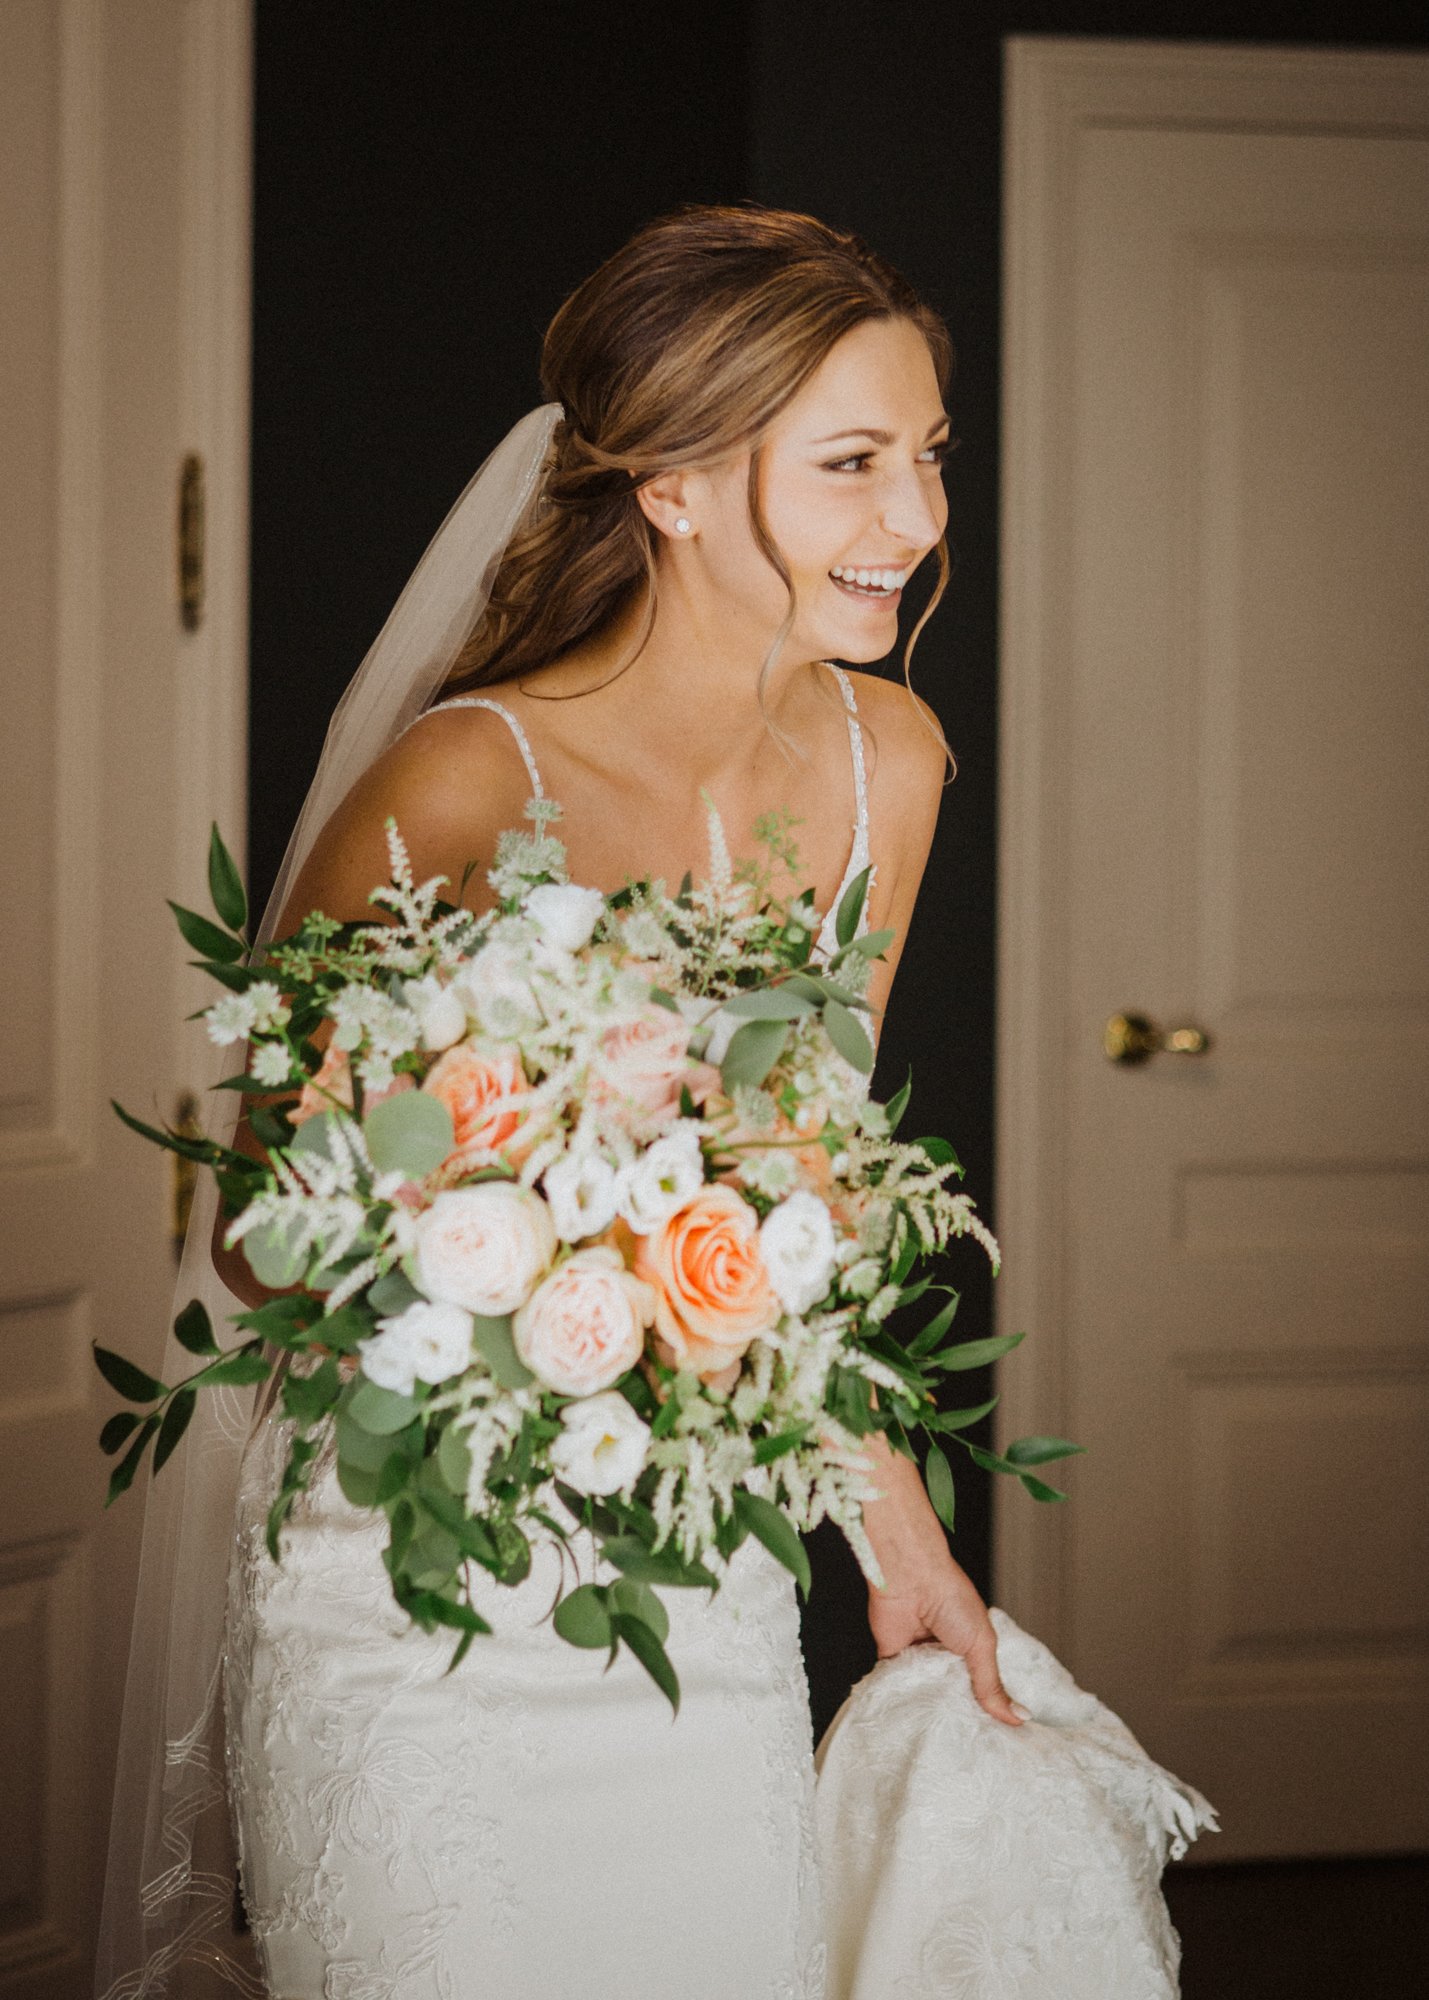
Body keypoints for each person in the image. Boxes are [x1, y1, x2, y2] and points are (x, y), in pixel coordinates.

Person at [98, 205, 1212, 2000]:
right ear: (674, 488)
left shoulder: (889, 761)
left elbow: (805, 1198)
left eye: (927, 457)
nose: (917, 522)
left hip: (694, 1575)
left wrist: (900, 1532)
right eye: (851, 464)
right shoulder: (465, 779)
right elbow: (258, 1239)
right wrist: (546, 1225)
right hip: (414, 1582)